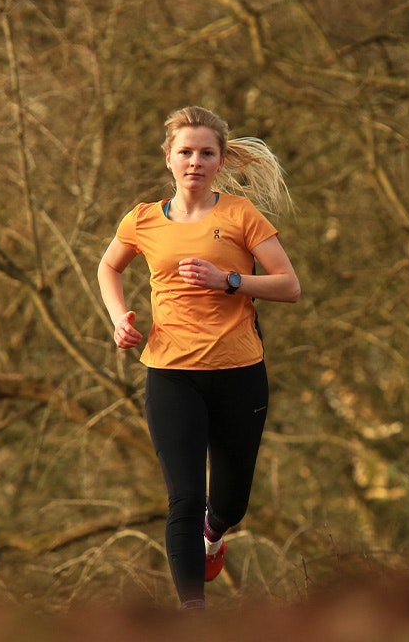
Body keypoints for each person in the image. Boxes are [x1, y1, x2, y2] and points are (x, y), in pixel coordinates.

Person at [97, 106, 300, 611]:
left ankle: (216, 532)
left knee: (229, 503)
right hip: (171, 375)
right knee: (183, 499)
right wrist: (120, 318)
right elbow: (108, 266)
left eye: (205, 153)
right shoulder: (142, 219)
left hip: (238, 375)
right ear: (168, 159)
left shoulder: (241, 216)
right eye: (184, 152)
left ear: (220, 160)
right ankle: (193, 614)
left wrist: (229, 280)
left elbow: (289, 286)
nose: (195, 161)